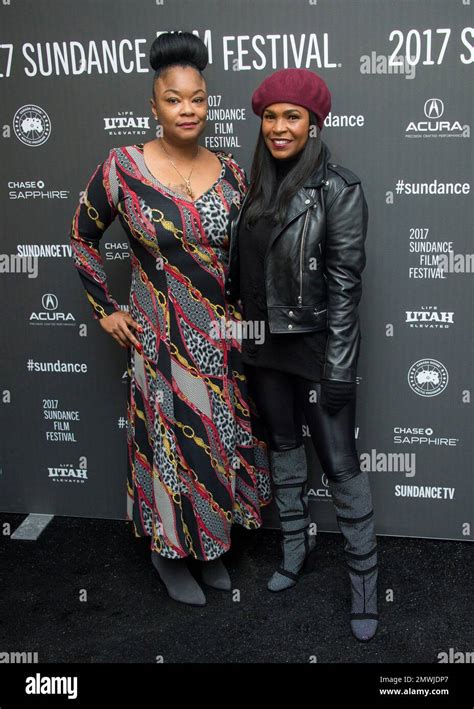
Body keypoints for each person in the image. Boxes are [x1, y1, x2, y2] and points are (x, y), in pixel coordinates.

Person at [69, 31, 271, 607]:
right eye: (175, 99)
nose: (188, 110)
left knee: (214, 440)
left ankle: (210, 548)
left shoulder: (233, 173)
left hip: (219, 339)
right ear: (154, 104)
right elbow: (81, 237)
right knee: (166, 445)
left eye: (198, 98)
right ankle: (167, 555)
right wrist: (105, 308)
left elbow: (247, 259)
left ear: (209, 102)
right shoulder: (123, 168)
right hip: (157, 338)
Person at [226, 68, 378, 641]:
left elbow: (345, 286)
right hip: (265, 351)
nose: (280, 127)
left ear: (315, 125)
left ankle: (365, 584)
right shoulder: (253, 189)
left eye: (293, 117)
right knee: (283, 450)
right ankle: (294, 551)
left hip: (317, 353)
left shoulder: (338, 188)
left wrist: (340, 367)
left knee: (341, 467)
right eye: (271, 116)